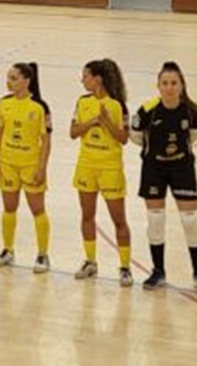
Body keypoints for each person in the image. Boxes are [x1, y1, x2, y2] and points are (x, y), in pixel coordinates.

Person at [131, 62, 197, 293]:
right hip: (153, 168)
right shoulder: (147, 110)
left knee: (190, 219)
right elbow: (136, 137)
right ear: (158, 86)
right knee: (155, 218)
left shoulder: (191, 110)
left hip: (182, 167)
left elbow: (193, 136)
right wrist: (155, 151)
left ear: (181, 85)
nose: (169, 87)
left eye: (174, 83)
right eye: (165, 83)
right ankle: (158, 271)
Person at [70, 59, 133, 285]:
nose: (82, 80)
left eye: (85, 76)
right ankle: (90, 262)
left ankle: (125, 267)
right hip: (86, 165)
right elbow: (73, 132)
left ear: (97, 79)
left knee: (119, 220)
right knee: (87, 216)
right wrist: (92, 121)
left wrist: (106, 122)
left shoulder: (118, 105)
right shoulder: (82, 102)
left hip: (110, 167)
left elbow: (123, 138)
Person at [0, 62, 53, 273]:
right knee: (9, 208)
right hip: (8, 164)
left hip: (30, 166)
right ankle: (8, 250)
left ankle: (43, 255)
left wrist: (42, 168)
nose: (9, 82)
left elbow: (46, 140)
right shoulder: (3, 103)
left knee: (37, 210)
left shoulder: (39, 107)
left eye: (14, 78)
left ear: (27, 80)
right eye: (8, 78)